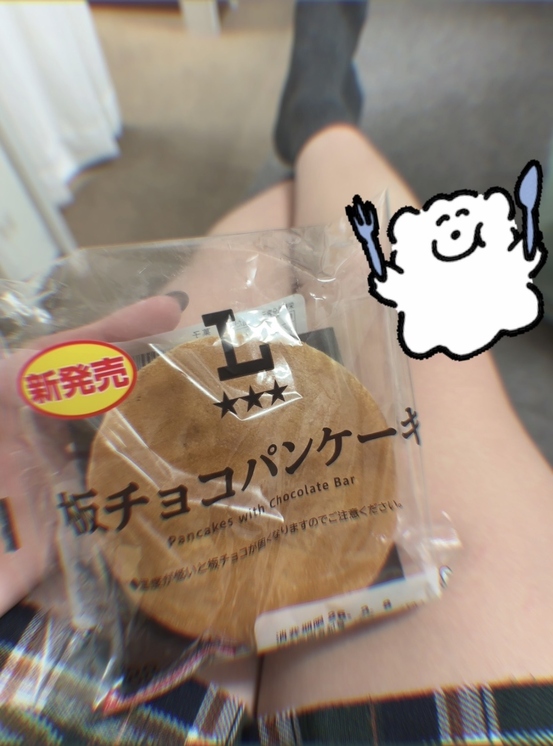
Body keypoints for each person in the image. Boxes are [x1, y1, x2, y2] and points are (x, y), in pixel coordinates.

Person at [0, 2, 552, 743]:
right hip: (90, 683)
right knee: (389, 305)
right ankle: (321, 123)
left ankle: (315, 124)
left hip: (39, 670)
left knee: (254, 259)